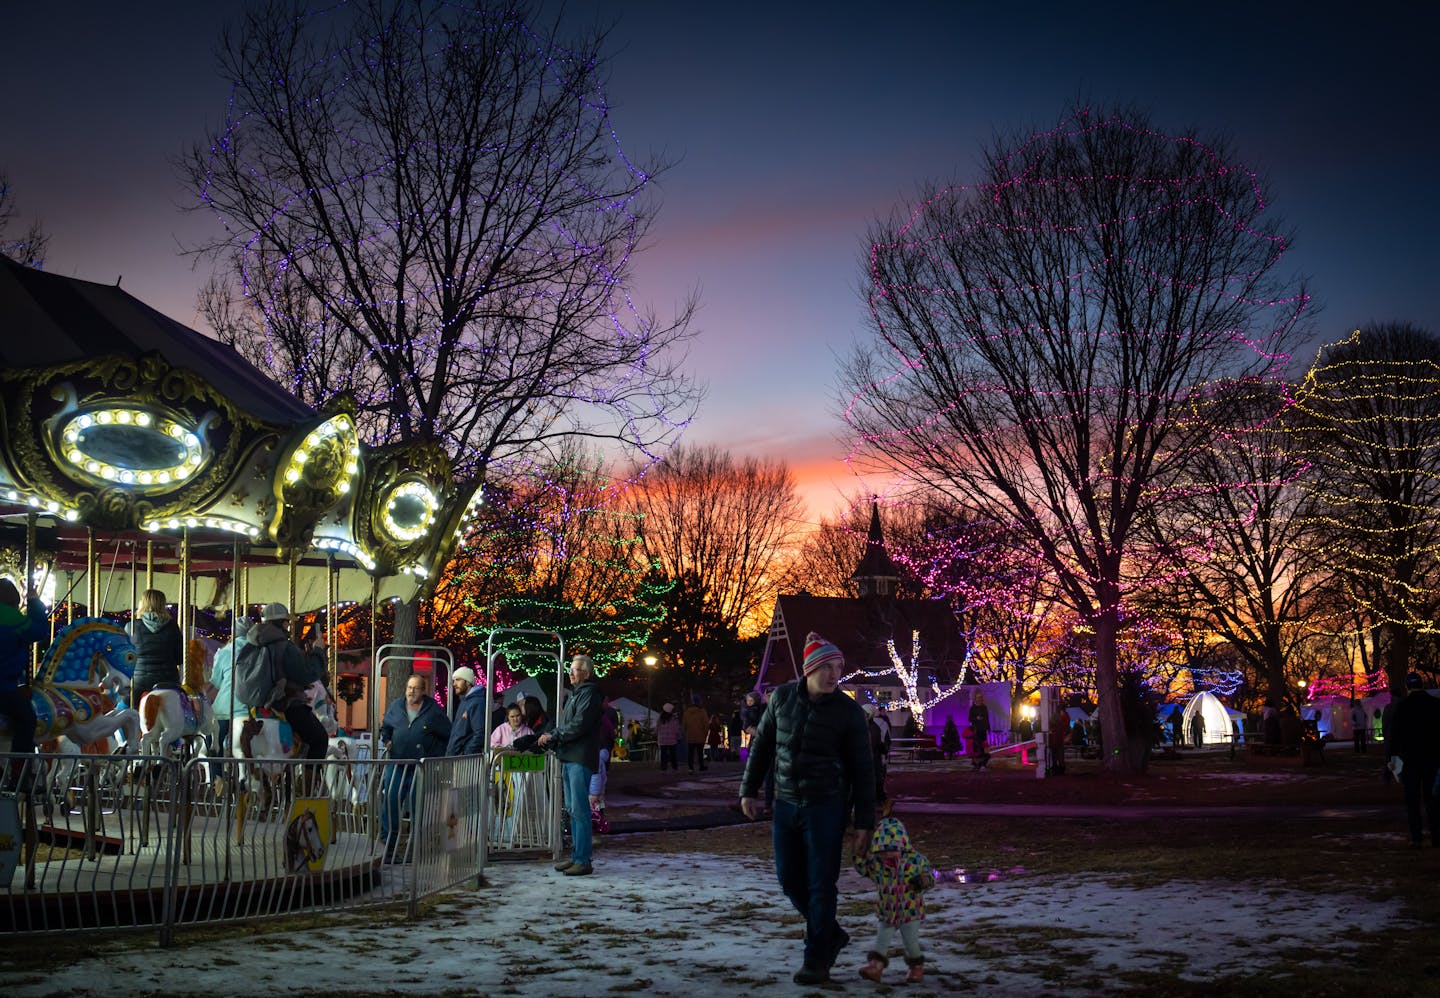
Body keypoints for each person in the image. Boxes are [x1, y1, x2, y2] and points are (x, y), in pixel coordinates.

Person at [740, 631, 875, 986]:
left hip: (826, 807)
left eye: (839, 668)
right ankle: (830, 933)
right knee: (789, 879)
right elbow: (763, 747)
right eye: (827, 667)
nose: (834, 675)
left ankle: (816, 959)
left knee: (820, 884)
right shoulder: (782, 699)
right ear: (809, 669)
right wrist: (749, 790)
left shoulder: (848, 713)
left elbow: (864, 770)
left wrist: (864, 823)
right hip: (786, 803)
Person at [537, 653, 604, 876]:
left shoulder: (589, 695)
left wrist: (554, 736)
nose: (570, 672)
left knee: (579, 809)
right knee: (573, 809)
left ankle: (583, 858)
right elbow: (574, 725)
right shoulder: (579, 695)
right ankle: (577, 856)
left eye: (574, 669)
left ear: (585, 673)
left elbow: (579, 725)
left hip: (579, 757)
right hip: (571, 756)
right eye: (571, 669)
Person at [378, 672, 452, 859]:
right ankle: (388, 847)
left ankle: (419, 849)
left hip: (420, 767)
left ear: (423, 690)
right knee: (391, 803)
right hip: (396, 764)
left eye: (415, 688)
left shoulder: (433, 710)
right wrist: (386, 739)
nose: (411, 691)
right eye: (409, 687)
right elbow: (385, 727)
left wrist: (433, 754)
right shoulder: (396, 706)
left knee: (420, 807)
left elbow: (447, 734)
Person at [855, 815, 933, 985]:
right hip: (887, 911)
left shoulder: (915, 861)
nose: (887, 854)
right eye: (882, 850)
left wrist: (923, 881)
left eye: (891, 849)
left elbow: (929, 878)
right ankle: (875, 968)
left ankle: (916, 967)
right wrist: (860, 854)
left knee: (910, 942)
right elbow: (863, 869)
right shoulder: (877, 864)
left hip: (910, 911)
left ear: (902, 845)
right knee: (881, 940)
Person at [248, 604, 329, 764]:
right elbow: (306, 674)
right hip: (286, 704)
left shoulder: (251, 644)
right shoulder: (284, 646)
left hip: (253, 705)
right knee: (319, 739)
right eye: (286, 622)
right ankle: (305, 786)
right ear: (282, 622)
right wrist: (318, 652)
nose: (288, 625)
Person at [0, 579, 48, 786]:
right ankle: (18, 770)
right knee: (26, 719)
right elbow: (39, 631)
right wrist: (35, 602)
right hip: (5, 686)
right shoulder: (13, 619)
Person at [1390, 672, 1440, 847]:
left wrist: (1392, 758)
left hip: (1410, 759)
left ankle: (1416, 836)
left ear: (1407, 686)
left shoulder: (1403, 707)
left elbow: (1395, 735)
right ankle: (1436, 835)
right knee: (1432, 799)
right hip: (1432, 759)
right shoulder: (1435, 705)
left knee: (1412, 800)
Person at [205, 615, 253, 759]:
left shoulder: (225, 651)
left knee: (213, 743)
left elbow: (216, 681)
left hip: (223, 708)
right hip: (248, 707)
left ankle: (216, 777)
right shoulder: (258, 651)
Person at [127, 588, 184, 701]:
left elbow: (127, 657)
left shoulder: (132, 626)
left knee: (121, 709)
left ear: (143, 603)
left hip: (140, 683)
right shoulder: (172, 627)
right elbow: (180, 658)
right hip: (169, 681)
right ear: (162, 604)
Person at [446, 667, 487, 756]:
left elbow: (480, 733)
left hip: (465, 761)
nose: (454, 684)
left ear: (468, 682)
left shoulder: (477, 702)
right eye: (454, 681)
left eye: (458, 680)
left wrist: (465, 754)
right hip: (457, 757)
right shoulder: (464, 701)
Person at [863, 703, 892, 815]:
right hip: (871, 760)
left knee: (875, 784)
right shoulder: (867, 726)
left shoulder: (874, 728)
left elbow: (875, 744)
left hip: (873, 760)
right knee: (874, 784)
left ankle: (885, 803)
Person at [683, 695, 710, 773]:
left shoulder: (687, 712)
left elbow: (684, 724)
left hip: (690, 735)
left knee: (690, 753)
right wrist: (705, 734)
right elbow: (706, 724)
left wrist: (686, 732)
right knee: (700, 752)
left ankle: (690, 768)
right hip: (700, 735)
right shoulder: (702, 711)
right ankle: (701, 766)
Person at [967, 693, 990, 769]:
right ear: (976, 699)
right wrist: (976, 718)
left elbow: (987, 718)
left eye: (981, 698)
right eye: (978, 698)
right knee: (976, 746)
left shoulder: (984, 707)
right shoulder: (973, 708)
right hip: (976, 729)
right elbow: (970, 718)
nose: (980, 699)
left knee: (983, 746)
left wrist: (988, 728)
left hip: (983, 729)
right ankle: (975, 762)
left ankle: (983, 762)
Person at [655, 702, 680, 771]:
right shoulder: (674, 718)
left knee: (663, 754)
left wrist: (657, 735)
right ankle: (674, 767)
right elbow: (677, 729)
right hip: (672, 739)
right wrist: (677, 737)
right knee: (673, 754)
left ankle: (663, 768)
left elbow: (657, 728)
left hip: (662, 739)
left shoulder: (660, 718)